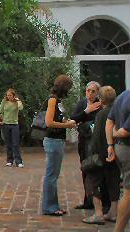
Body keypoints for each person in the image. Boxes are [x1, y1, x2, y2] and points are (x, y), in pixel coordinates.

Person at [82, 86, 119, 225]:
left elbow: (96, 137)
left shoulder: (102, 114)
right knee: (113, 181)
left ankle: (98, 214)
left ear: (101, 99)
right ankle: (113, 212)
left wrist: (93, 154)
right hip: (115, 153)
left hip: (102, 153)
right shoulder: (118, 112)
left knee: (92, 181)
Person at [41, 74, 77, 216]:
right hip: (53, 141)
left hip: (57, 141)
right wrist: (67, 125)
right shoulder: (52, 100)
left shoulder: (58, 100)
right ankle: (49, 207)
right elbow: (49, 122)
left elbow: (57, 119)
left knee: (53, 175)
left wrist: (68, 122)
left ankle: (52, 205)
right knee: (51, 175)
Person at [71, 81, 102, 210]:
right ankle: (88, 200)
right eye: (87, 90)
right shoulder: (82, 103)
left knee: (96, 170)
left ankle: (100, 202)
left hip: (96, 142)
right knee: (85, 167)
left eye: (93, 91)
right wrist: (86, 111)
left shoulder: (101, 105)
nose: (89, 93)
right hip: (84, 141)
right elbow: (74, 118)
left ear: (97, 93)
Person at [106, 89, 130, 232]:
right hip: (127, 148)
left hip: (120, 148)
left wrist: (110, 144)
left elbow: (109, 121)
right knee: (128, 193)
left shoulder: (123, 95)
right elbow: (126, 131)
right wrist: (115, 134)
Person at [0, 88, 24, 168]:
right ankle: (9, 160)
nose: (8, 97)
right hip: (5, 124)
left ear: (13, 95)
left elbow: (21, 108)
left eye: (10, 95)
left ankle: (19, 161)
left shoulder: (17, 103)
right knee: (8, 144)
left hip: (14, 125)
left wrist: (18, 100)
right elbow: (0, 111)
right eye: (7, 95)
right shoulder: (4, 101)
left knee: (15, 143)